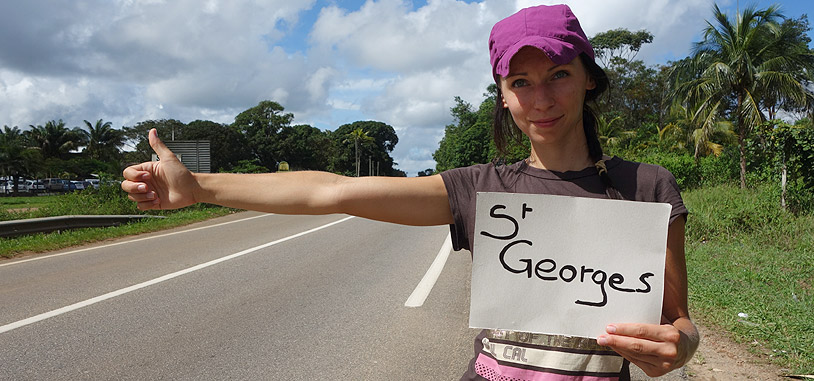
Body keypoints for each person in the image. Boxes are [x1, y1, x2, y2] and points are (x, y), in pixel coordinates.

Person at [122, 4, 698, 380]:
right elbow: (335, 192)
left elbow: (680, 321)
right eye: (520, 82)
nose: (540, 99)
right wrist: (199, 187)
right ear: (502, 95)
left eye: (558, 75)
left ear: (589, 77)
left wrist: (677, 349)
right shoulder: (483, 189)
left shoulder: (646, 188)